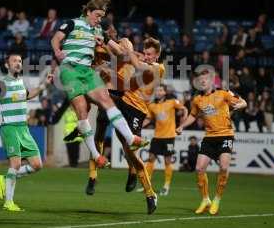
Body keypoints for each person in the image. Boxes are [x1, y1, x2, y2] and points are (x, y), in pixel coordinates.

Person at [51, 0, 148, 168]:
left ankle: (131, 138)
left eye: (102, 17)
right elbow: (55, 39)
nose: (99, 20)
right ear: (88, 12)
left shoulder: (99, 32)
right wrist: (57, 51)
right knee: (82, 110)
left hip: (87, 71)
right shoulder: (73, 23)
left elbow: (118, 52)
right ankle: (96, 156)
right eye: (97, 15)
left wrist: (123, 46)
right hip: (70, 70)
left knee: (107, 101)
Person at [85, 36, 165, 214]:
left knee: (131, 152)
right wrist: (104, 41)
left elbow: (137, 64)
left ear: (157, 55)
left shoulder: (157, 68)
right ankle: (92, 175)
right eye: (145, 53)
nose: (147, 56)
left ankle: (150, 193)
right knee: (100, 113)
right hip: (120, 101)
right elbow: (119, 54)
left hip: (137, 110)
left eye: (151, 54)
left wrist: (124, 49)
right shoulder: (136, 58)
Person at [0, 53, 53, 212]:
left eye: (20, 61)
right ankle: (8, 202)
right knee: (16, 164)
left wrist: (44, 85)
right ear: (7, 65)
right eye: (14, 61)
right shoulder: (2, 83)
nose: (18, 63)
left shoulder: (21, 82)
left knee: (37, 165)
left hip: (24, 129)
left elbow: (28, 95)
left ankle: (5, 178)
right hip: (10, 128)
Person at [176, 68, 247, 215]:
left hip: (225, 135)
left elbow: (243, 103)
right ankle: (205, 199)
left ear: (211, 80)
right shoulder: (197, 99)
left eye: (205, 79)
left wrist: (239, 105)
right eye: (200, 79)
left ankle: (217, 199)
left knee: (223, 167)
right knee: (199, 168)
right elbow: (193, 115)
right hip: (209, 136)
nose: (202, 81)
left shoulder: (223, 93)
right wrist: (182, 126)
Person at [141, 84, 188, 196]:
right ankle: (147, 185)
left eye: (160, 90)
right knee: (151, 159)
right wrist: (139, 127)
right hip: (157, 136)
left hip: (169, 136)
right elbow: (148, 119)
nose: (158, 92)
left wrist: (183, 122)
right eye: (157, 90)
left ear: (165, 92)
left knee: (167, 161)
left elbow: (184, 109)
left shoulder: (172, 102)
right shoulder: (152, 106)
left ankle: (166, 186)